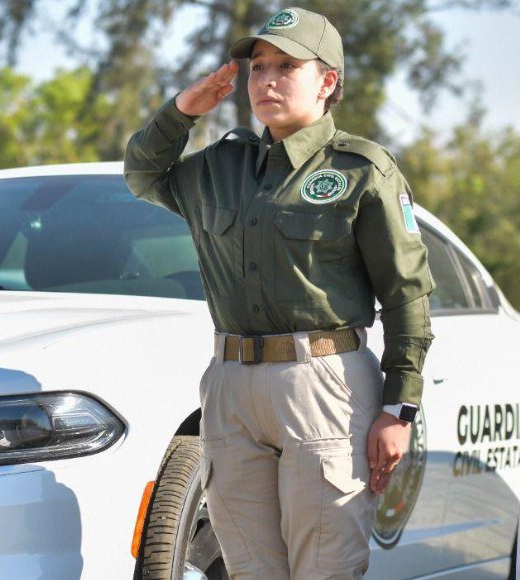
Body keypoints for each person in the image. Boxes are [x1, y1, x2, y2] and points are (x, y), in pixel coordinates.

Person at [124, 7, 434, 579]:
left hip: (323, 383)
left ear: (327, 81)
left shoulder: (362, 170)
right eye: (258, 66)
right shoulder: (219, 167)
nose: (265, 79)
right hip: (230, 386)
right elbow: (142, 174)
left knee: (324, 567)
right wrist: (183, 111)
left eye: (286, 66)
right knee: (249, 570)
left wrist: (398, 407)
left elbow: (406, 294)